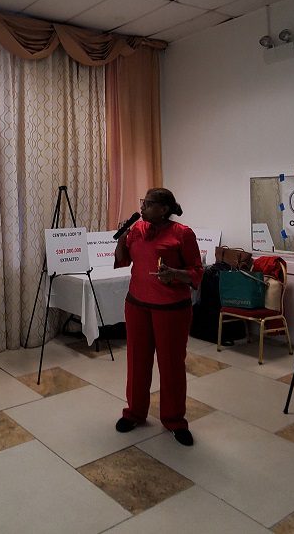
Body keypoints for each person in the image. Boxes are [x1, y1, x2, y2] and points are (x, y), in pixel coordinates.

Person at [113, 187, 203, 446]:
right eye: (143, 202)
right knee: (137, 361)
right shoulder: (136, 231)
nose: (142, 207)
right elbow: (123, 260)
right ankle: (134, 413)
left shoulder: (182, 234)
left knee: (171, 365)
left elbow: (196, 271)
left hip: (172, 310)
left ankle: (174, 420)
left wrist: (175, 273)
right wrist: (120, 239)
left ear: (163, 209)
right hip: (137, 305)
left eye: (148, 203)